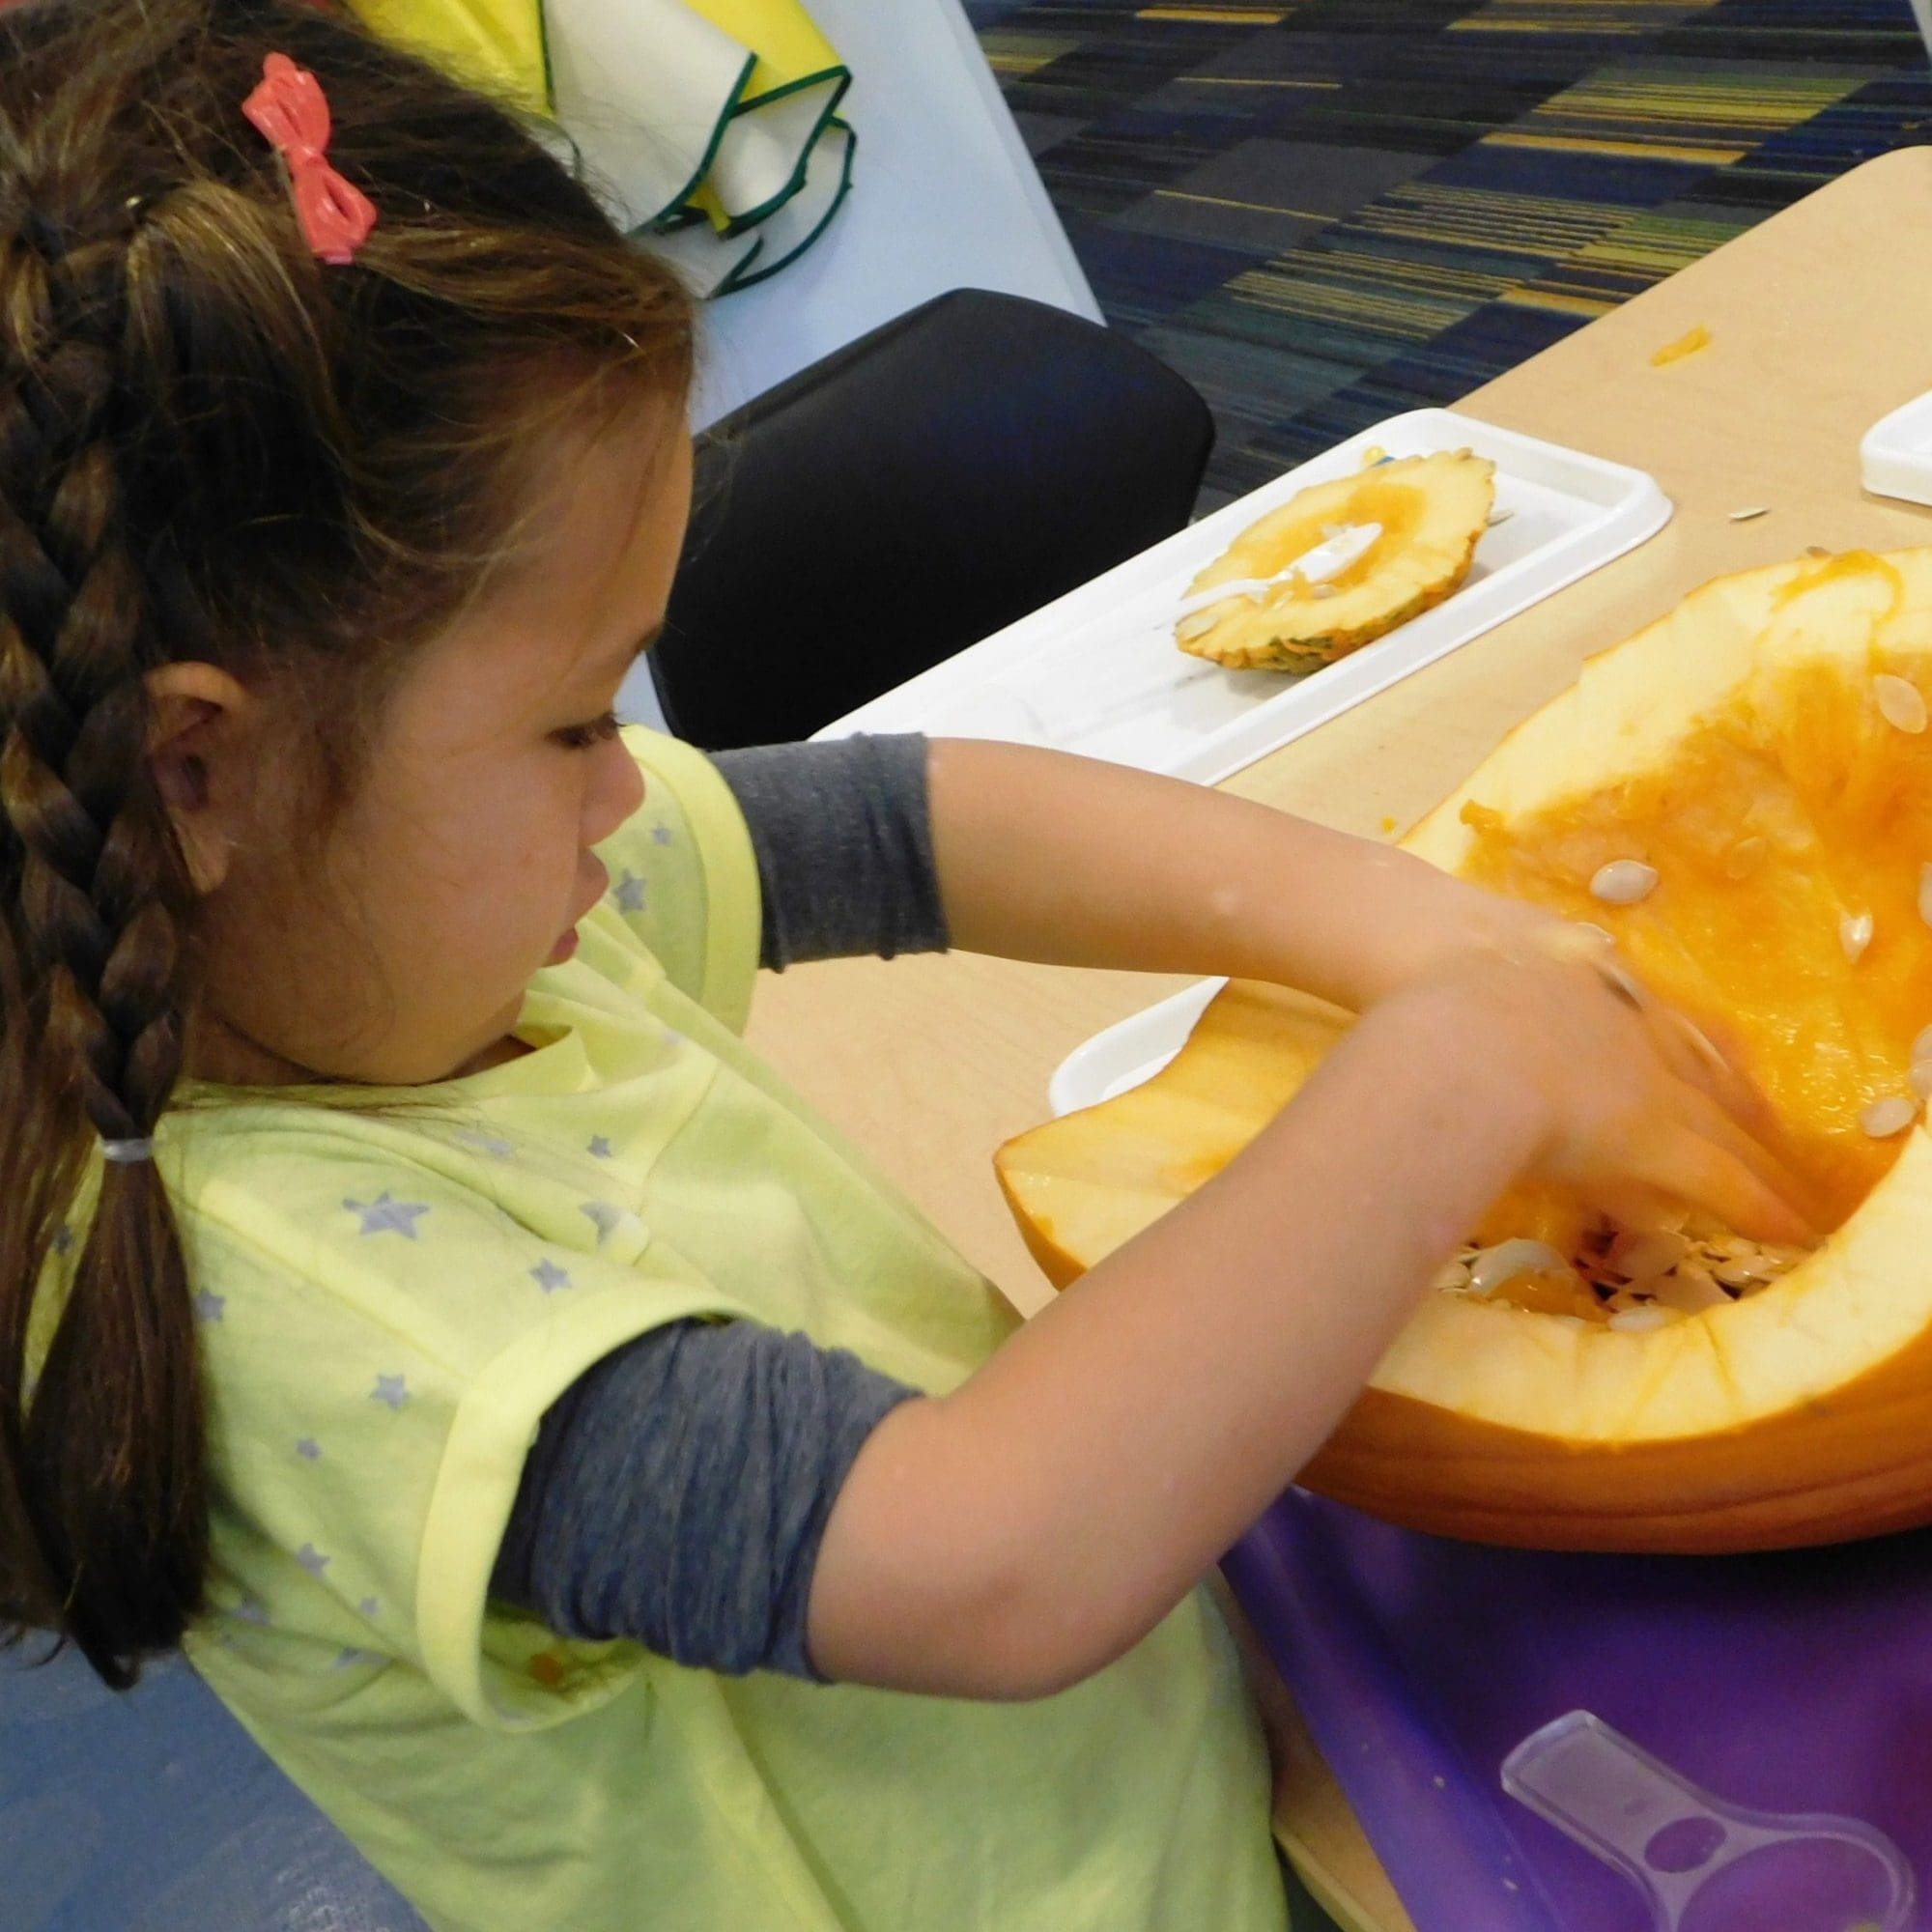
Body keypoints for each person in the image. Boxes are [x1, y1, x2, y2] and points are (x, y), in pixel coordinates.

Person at [0, 3, 1811, 1927]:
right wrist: (1452, 1072)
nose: (634, 784)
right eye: (571, 720)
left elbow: (895, 826)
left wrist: (1410, 926)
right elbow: (991, 1552)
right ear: (201, 768)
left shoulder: (373, 920)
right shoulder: (313, 1321)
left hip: (1202, 1784)